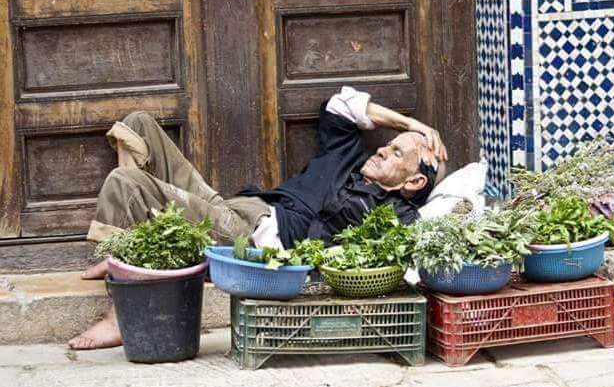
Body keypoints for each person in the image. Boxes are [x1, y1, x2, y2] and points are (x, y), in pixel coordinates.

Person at [68, 86, 448, 350]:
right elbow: (341, 104)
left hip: (249, 236)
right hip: (236, 209)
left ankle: (120, 311)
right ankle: (124, 244)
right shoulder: (346, 156)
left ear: (413, 181)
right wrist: (413, 127)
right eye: (388, 144)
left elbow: (406, 260)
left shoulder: (393, 215)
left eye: (396, 154)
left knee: (126, 182)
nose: (382, 150)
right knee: (138, 124)